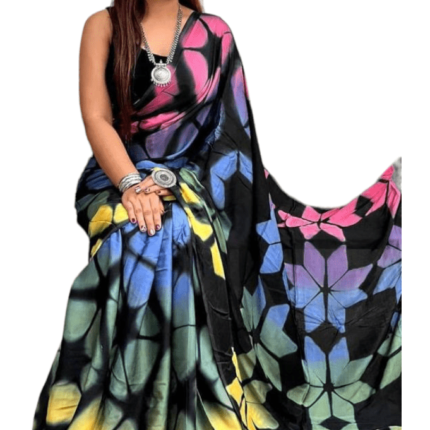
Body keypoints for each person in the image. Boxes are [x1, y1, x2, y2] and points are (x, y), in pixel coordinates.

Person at [32, 1, 402, 429]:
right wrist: (132, 184)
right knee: (137, 236)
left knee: (180, 230)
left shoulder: (214, 33)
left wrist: (176, 184)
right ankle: (117, 404)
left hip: (196, 179)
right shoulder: (104, 25)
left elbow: (229, 138)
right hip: (115, 178)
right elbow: (96, 117)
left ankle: (184, 402)